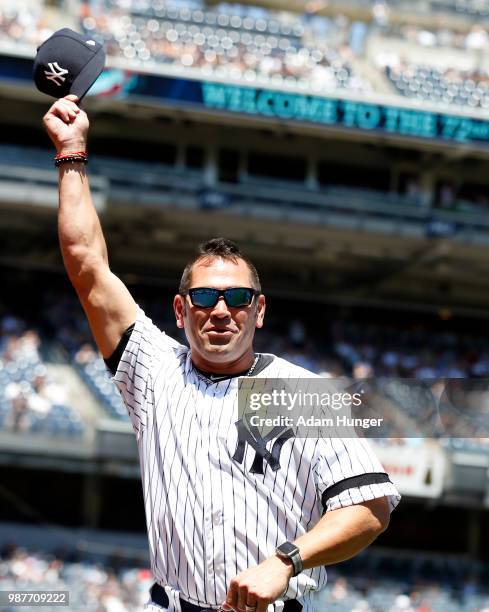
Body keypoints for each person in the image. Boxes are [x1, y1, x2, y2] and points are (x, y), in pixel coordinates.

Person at [43, 95, 401, 612]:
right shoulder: (151, 371)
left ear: (258, 311)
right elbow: (86, 265)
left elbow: (369, 506)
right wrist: (71, 153)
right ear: (180, 309)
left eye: (236, 298)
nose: (220, 311)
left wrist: (286, 561)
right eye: (205, 298)